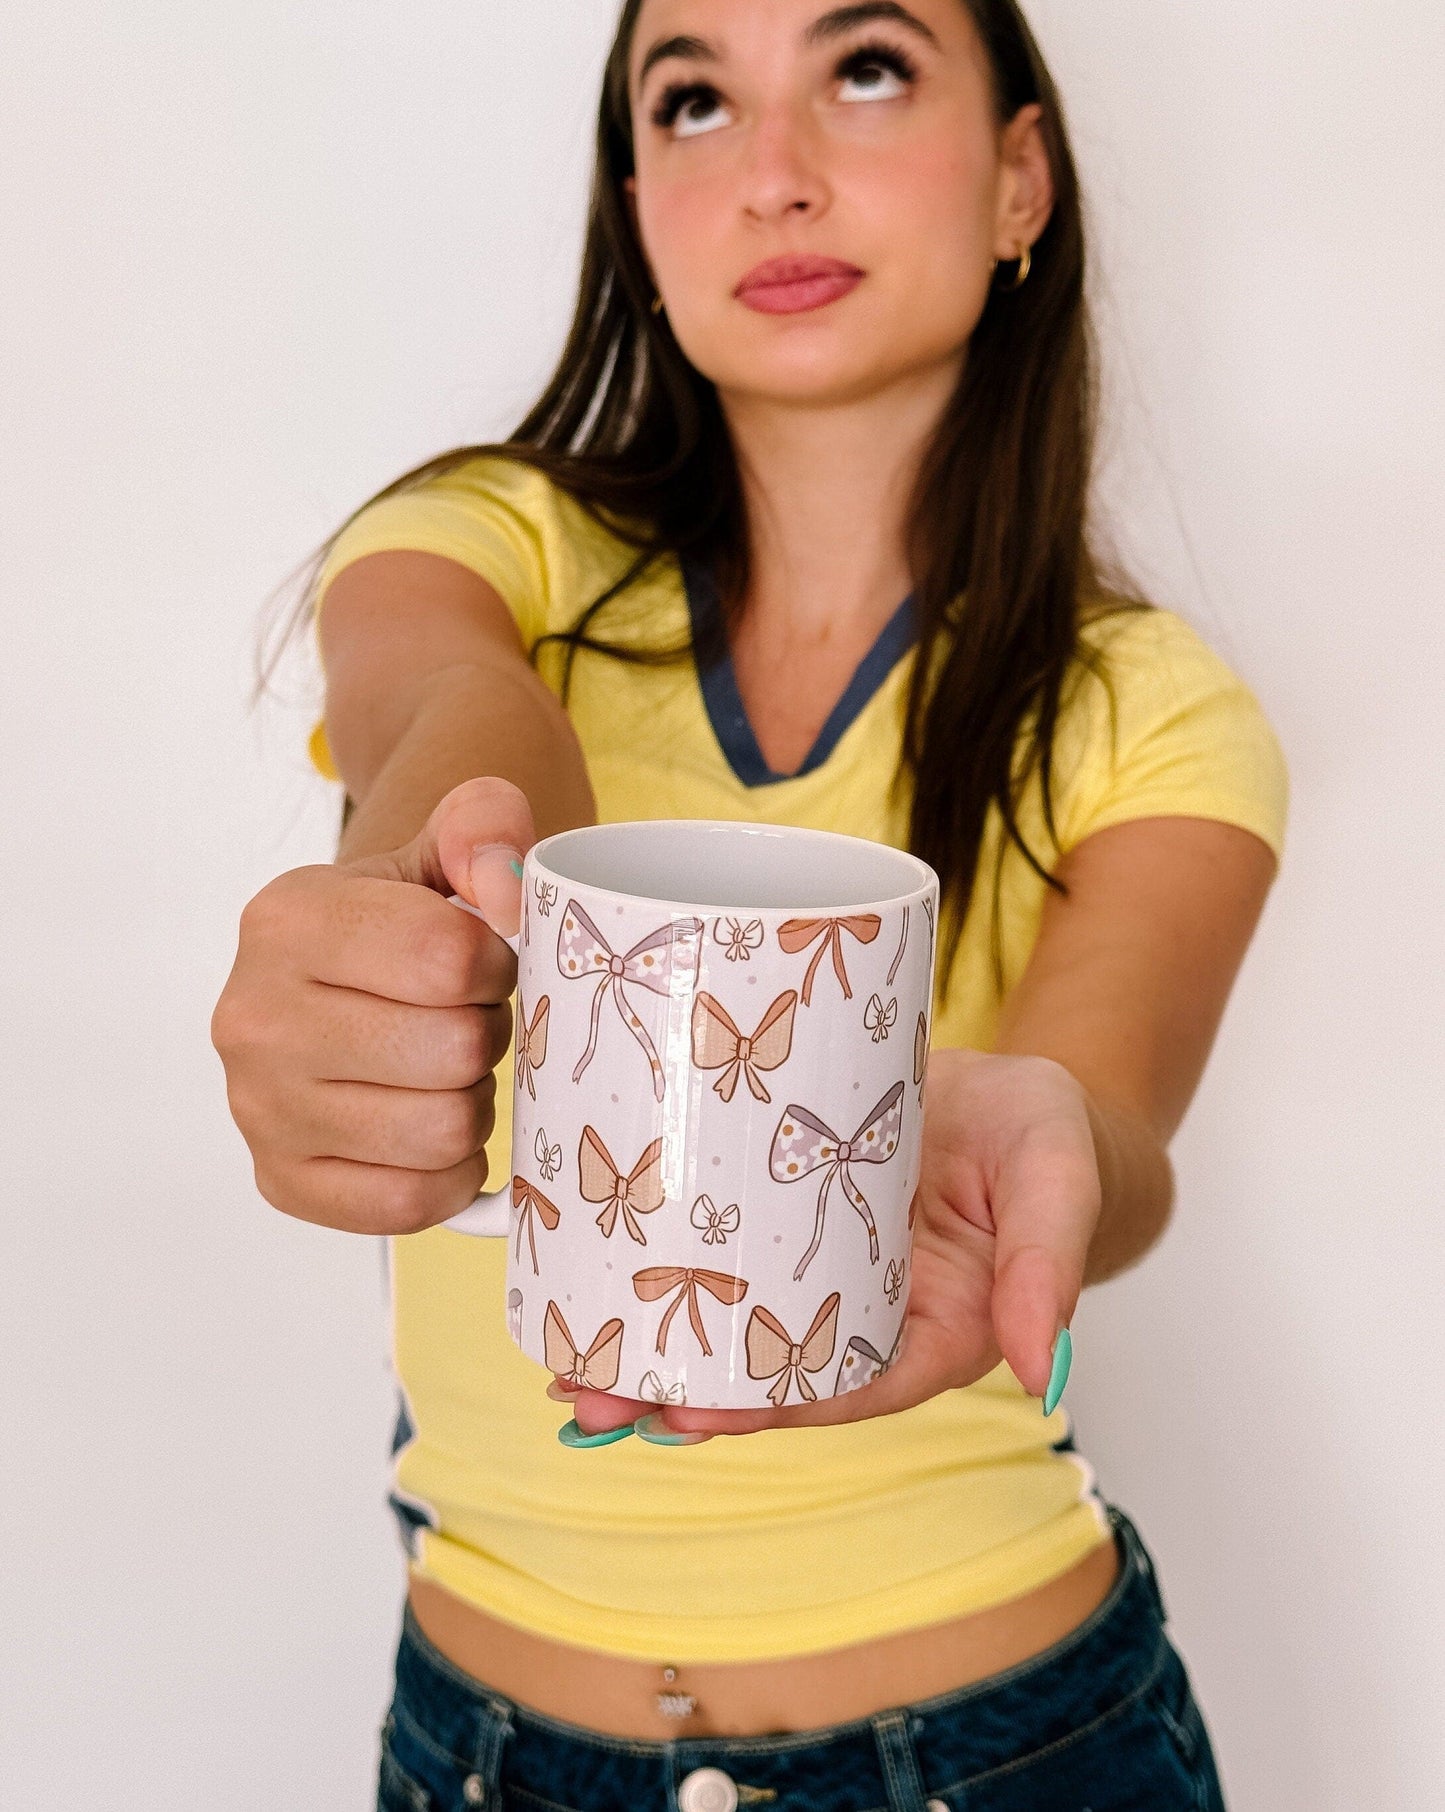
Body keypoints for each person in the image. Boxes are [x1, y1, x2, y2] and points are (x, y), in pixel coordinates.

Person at [213, 2, 1289, 1806]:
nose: (773, 177)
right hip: (478, 1740)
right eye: (694, 99)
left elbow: (1110, 1115)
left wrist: (1057, 1149)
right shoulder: (488, 541)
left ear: (1020, 174)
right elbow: (456, 705)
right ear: (635, 201)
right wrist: (443, 860)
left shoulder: (1151, 709)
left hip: (1016, 1739)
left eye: (865, 68)